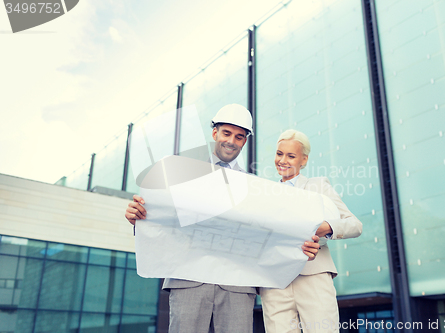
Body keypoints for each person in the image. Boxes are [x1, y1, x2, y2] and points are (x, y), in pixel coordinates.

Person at [125, 105, 321, 333]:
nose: (231, 141)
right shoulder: (180, 174)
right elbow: (165, 219)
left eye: (239, 137)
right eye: (226, 133)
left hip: (236, 286)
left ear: (244, 142)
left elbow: (267, 233)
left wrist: (300, 246)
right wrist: (139, 219)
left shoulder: (253, 188)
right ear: (214, 133)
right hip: (189, 279)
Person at [260, 129, 363, 333]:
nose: (283, 160)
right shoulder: (264, 193)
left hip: (313, 275)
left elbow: (355, 225)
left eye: (291, 156)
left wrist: (326, 227)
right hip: (275, 283)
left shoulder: (318, 186)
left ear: (303, 160)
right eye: (279, 154)